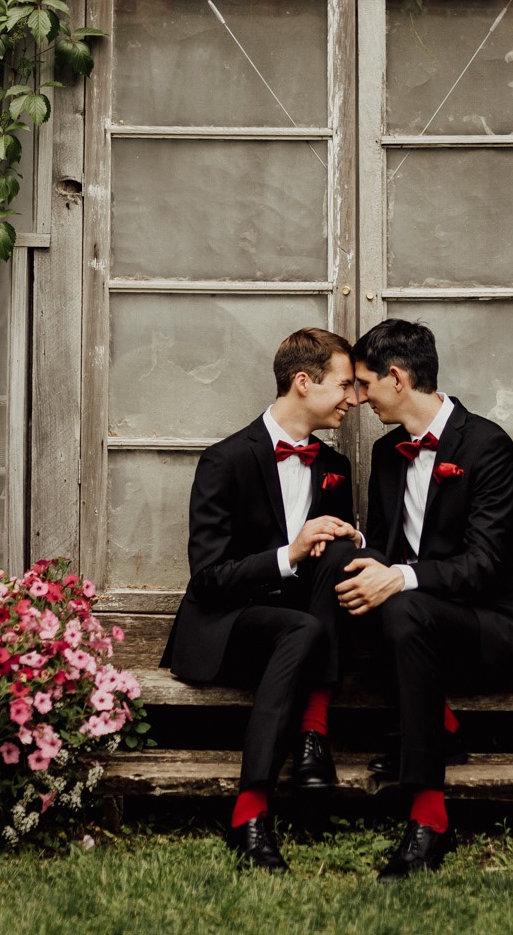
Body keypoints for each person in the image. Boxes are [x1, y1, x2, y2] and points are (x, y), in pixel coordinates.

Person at [334, 318, 513, 881]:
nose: (359, 399)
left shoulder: (486, 445)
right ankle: (437, 727)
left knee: (402, 601)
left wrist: (401, 579)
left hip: (490, 625)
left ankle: (428, 814)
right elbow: (388, 548)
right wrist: (356, 551)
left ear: (396, 379)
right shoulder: (389, 455)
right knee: (344, 573)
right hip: (412, 626)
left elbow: (484, 566)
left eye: (363, 385)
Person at [158, 327, 362, 873]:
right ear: (303, 382)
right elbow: (208, 579)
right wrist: (289, 553)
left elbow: (333, 567)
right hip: (229, 624)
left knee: (336, 566)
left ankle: (311, 739)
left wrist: (354, 540)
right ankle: (252, 808)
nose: (354, 397)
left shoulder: (336, 468)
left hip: (302, 624)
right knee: (302, 628)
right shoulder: (225, 460)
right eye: (344, 385)